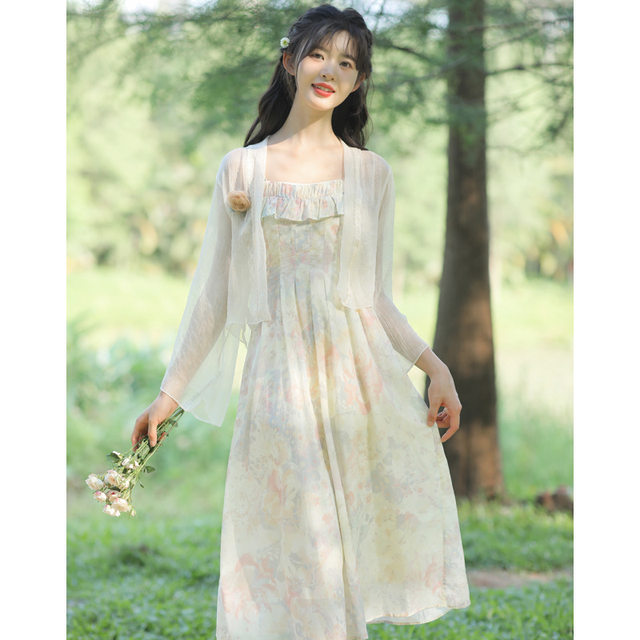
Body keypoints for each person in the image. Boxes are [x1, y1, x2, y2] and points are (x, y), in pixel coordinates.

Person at [131, 4, 471, 638]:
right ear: (290, 60)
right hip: (275, 387)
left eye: (347, 62)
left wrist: (436, 368)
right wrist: (167, 395)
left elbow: (374, 298)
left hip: (354, 389)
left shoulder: (371, 174)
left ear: (358, 81)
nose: (330, 70)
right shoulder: (243, 169)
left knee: (335, 554)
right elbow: (214, 297)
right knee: (280, 547)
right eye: (319, 54)